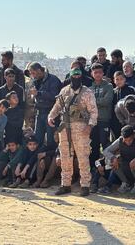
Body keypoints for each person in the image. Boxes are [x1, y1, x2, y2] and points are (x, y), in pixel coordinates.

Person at [48, 68, 98, 196]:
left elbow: (93, 112)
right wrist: (51, 116)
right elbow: (57, 106)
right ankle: (65, 184)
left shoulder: (87, 92)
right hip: (65, 128)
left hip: (81, 128)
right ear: (70, 76)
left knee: (82, 157)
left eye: (78, 75)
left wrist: (90, 126)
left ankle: (85, 185)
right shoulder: (64, 91)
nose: (76, 77)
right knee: (65, 157)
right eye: (74, 75)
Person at [103, 125, 135, 194]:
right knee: (111, 160)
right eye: (125, 140)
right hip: (125, 167)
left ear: (133, 136)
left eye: (130, 140)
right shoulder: (120, 140)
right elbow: (106, 151)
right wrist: (113, 158)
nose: (127, 142)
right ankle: (125, 183)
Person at [28, 62, 62, 147]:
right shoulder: (35, 81)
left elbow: (55, 95)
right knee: (37, 139)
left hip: (51, 113)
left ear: (39, 70)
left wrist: (39, 93)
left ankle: (50, 159)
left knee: (51, 140)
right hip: (39, 112)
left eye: (33, 73)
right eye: (31, 74)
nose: (33, 76)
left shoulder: (53, 80)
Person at [89, 63, 113, 168]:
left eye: (99, 72)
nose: (98, 74)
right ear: (92, 74)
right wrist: (96, 102)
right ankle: (94, 170)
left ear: (103, 73)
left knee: (105, 145)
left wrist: (93, 102)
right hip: (93, 121)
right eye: (95, 72)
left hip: (104, 120)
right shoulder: (89, 88)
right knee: (93, 146)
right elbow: (87, 104)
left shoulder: (108, 86)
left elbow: (107, 101)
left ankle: (107, 170)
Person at [110, 71, 135, 138]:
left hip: (128, 119)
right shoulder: (113, 92)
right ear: (114, 80)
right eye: (117, 79)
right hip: (115, 121)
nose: (119, 81)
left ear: (125, 79)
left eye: (121, 79)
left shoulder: (131, 89)